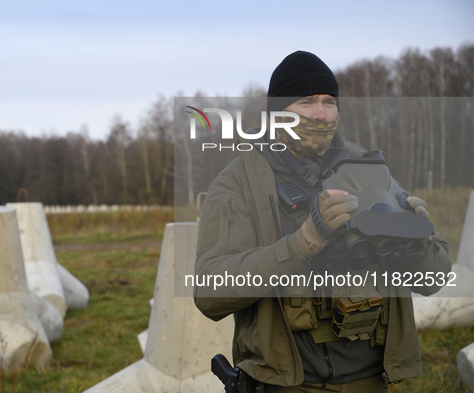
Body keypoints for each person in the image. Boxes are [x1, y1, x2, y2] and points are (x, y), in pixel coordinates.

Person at [193, 51, 451, 392]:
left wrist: (418, 243)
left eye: (330, 102)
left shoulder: (369, 166)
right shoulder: (240, 182)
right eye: (306, 102)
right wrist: (304, 242)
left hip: (370, 379)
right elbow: (210, 290)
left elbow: (434, 278)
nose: (320, 113)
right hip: (289, 382)